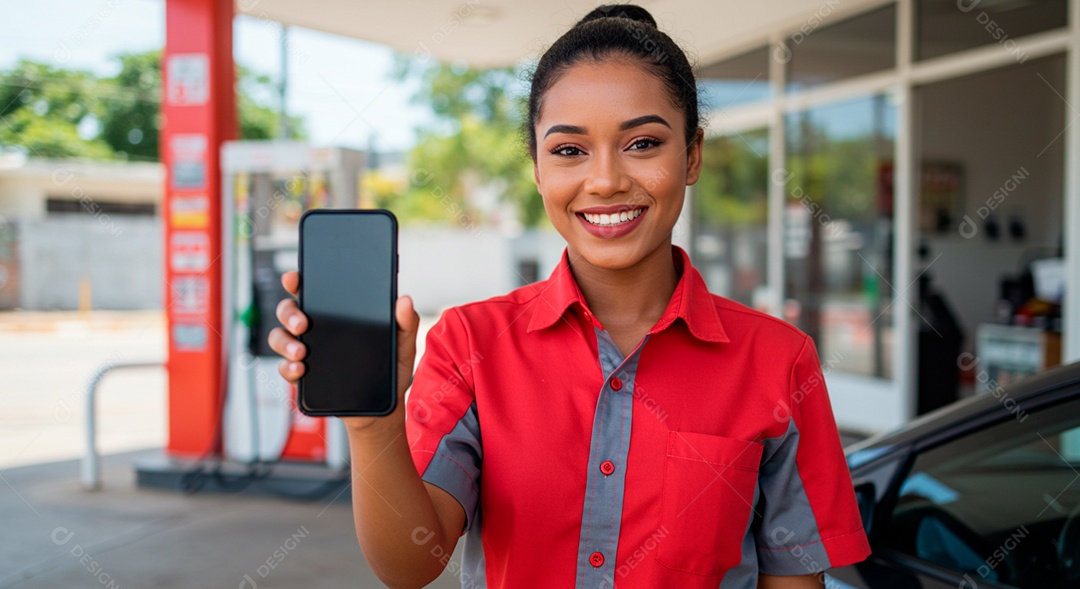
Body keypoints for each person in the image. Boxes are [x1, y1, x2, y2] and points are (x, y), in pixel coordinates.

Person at [269, 5, 871, 588]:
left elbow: (793, 579)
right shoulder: (468, 343)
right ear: (537, 170)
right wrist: (373, 424)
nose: (605, 180)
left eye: (643, 144)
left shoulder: (779, 360)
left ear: (692, 155)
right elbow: (409, 567)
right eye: (569, 150)